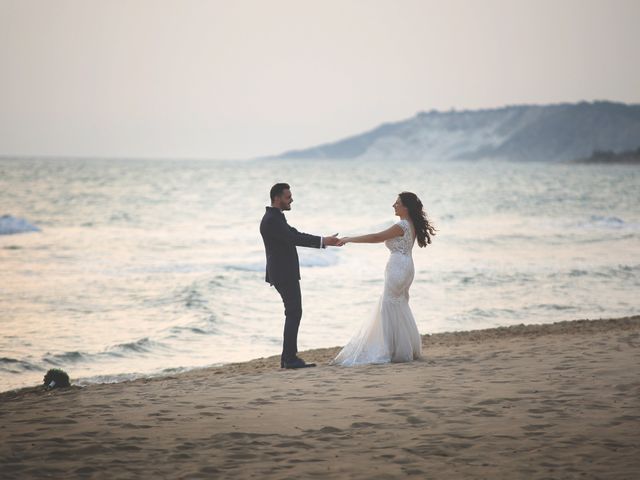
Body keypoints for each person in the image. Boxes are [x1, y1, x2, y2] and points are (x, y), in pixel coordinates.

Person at [333, 192, 435, 366]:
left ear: (406, 207)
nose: (393, 205)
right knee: (399, 303)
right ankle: (402, 348)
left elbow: (376, 237)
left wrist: (349, 239)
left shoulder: (402, 225)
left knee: (389, 305)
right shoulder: (411, 224)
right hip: (407, 265)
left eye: (397, 203)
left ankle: (390, 349)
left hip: (398, 267)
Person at [260, 183, 341, 369]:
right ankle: (289, 359)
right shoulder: (272, 219)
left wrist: (324, 241)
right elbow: (293, 238)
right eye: (288, 197)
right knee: (294, 312)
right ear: (277, 198)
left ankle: (287, 358)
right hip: (283, 273)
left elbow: (293, 234)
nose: (292, 200)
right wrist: (322, 241)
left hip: (283, 272)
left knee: (293, 312)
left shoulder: (275, 217)